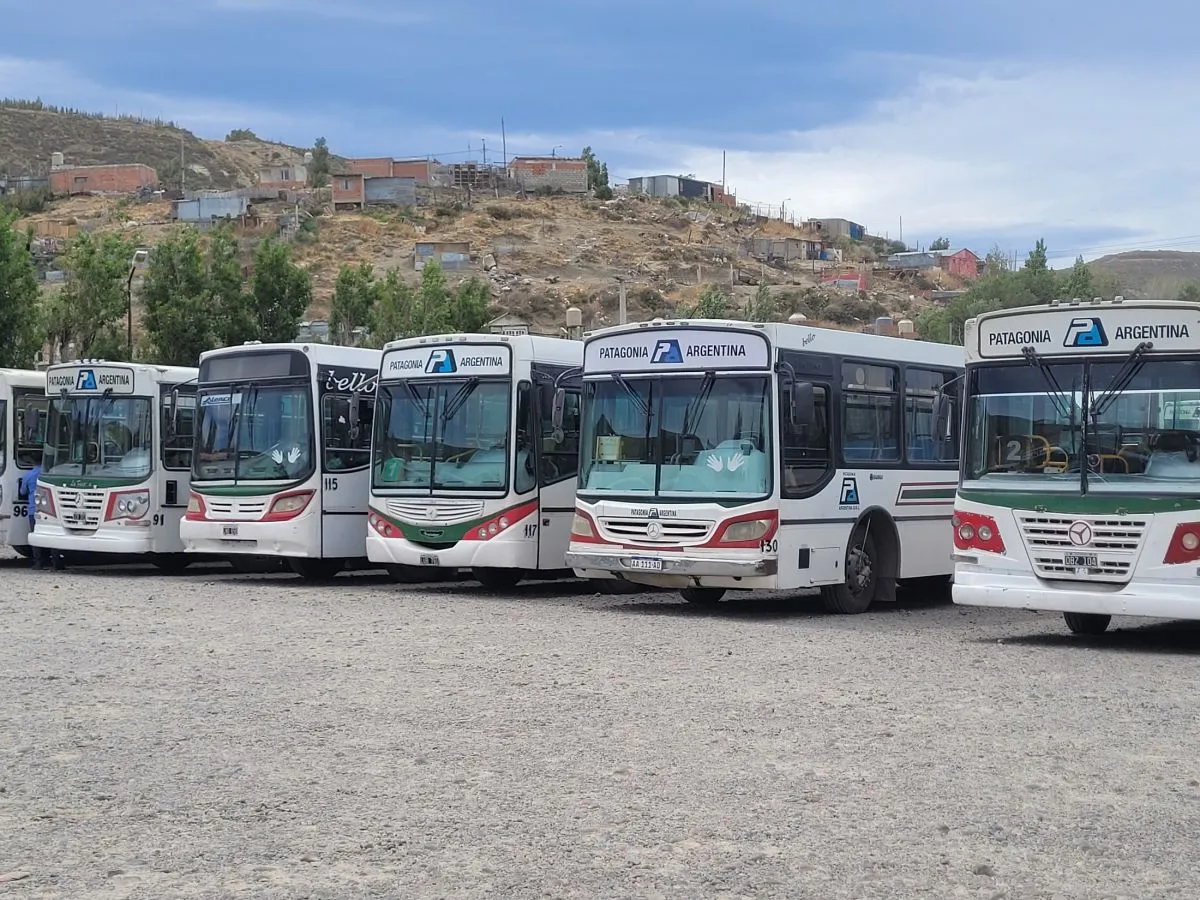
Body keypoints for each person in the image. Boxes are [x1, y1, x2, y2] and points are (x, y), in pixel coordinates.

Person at [19, 463, 44, 569]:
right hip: (48, 510)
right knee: (51, 534)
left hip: (33, 510)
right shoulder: (48, 473)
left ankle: (38, 562)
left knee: (35, 537)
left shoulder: (29, 475)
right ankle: (56, 562)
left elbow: (22, 491)